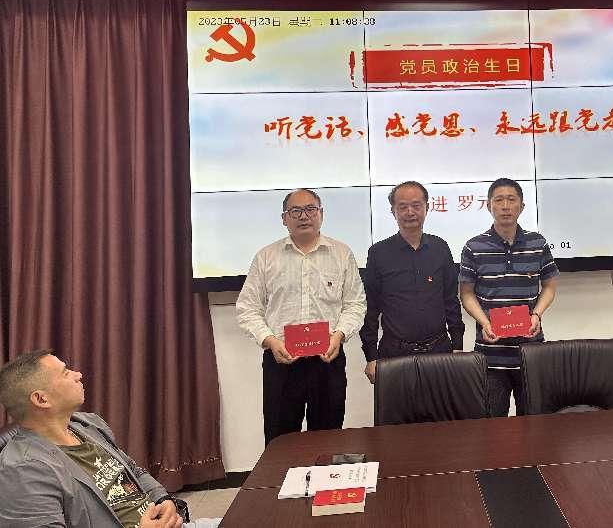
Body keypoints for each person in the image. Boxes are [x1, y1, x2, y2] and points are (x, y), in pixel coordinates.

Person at [0, 350, 217, 528]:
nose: (78, 374)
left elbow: (133, 470)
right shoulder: (23, 470)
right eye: (65, 373)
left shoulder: (88, 425)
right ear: (41, 399)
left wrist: (163, 499)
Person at [236, 189, 366, 444]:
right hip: (281, 361)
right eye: (295, 211)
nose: (304, 216)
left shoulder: (342, 254)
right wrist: (271, 341)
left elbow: (355, 304)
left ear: (321, 214)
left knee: (328, 439)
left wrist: (339, 335)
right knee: (280, 440)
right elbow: (247, 308)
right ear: (284, 218)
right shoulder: (266, 257)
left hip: (327, 360)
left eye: (310, 209)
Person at [459, 178, 558, 416]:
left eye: (511, 200)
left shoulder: (538, 243)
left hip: (531, 351)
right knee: (493, 426)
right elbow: (466, 294)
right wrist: (484, 322)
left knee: (535, 422)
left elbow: (549, 287)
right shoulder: (474, 247)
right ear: (489, 206)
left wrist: (536, 314)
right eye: (499, 200)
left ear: (521, 206)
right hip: (490, 354)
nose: (505, 206)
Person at [360, 181, 465, 384]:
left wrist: (458, 345)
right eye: (403, 206)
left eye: (416, 205)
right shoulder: (378, 253)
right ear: (393, 211)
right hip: (394, 353)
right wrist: (371, 356)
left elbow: (451, 300)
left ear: (427, 207)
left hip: (439, 351)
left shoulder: (440, 248)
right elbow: (370, 308)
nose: (410, 212)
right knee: (397, 406)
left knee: (440, 405)